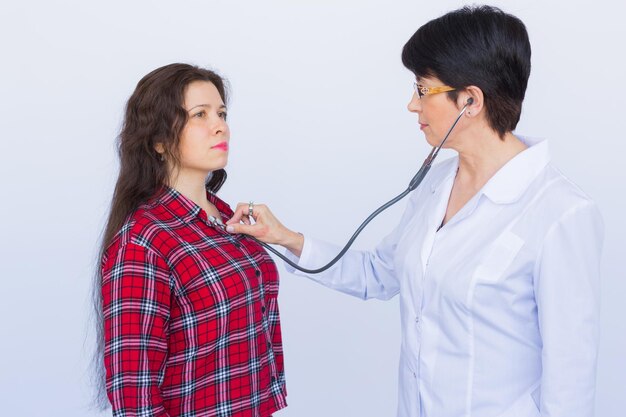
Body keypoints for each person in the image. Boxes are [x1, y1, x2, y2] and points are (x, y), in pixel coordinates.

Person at [225, 6, 603, 417]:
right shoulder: (437, 182)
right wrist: (284, 237)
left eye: (423, 90)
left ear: (470, 101)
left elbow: (570, 387)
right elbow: (380, 273)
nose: (411, 104)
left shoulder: (562, 214)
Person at [95, 63, 287, 417]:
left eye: (222, 113)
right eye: (200, 114)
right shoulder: (143, 242)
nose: (220, 125)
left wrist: (286, 238)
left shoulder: (228, 220)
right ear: (158, 140)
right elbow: (134, 398)